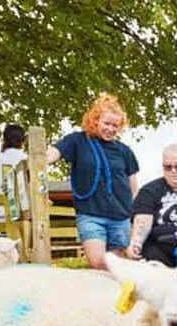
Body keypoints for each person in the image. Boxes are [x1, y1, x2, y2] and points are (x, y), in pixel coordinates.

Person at [47, 94, 139, 270]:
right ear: (95, 120)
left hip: (120, 217)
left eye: (115, 125)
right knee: (98, 263)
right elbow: (55, 152)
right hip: (91, 215)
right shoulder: (78, 141)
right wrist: (40, 159)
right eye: (106, 123)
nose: (111, 129)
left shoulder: (124, 151)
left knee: (118, 268)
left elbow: (133, 187)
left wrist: (136, 217)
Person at [0, 124, 27, 222]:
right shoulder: (25, 158)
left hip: (2, 212)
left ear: (4, 139)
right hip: (22, 213)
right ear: (23, 140)